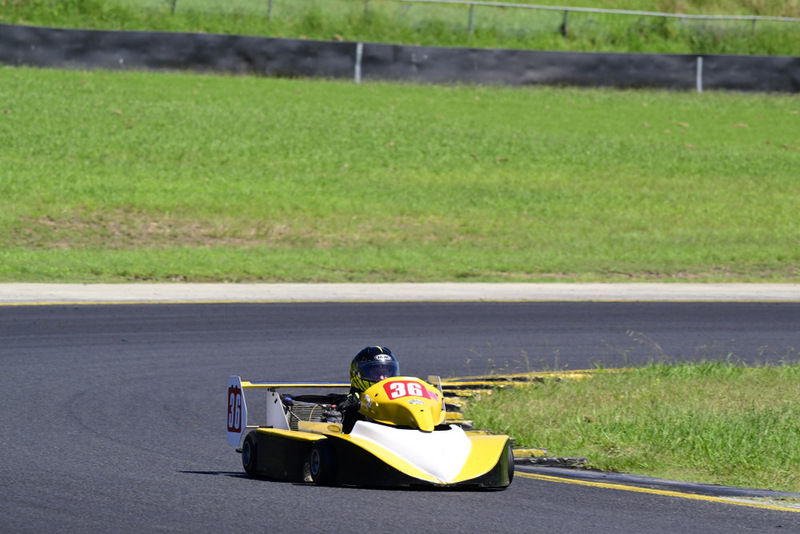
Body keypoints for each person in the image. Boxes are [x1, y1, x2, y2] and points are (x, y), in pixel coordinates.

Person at [338, 346, 399, 433]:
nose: (382, 378)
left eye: (386, 373)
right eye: (376, 373)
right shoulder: (350, 401)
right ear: (357, 374)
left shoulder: (397, 398)